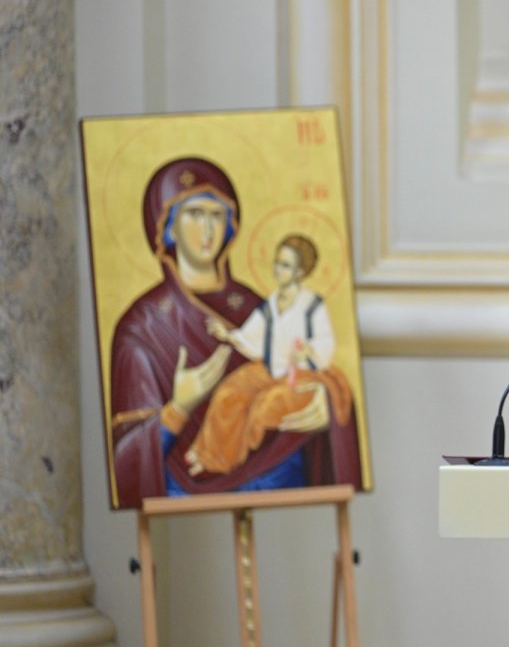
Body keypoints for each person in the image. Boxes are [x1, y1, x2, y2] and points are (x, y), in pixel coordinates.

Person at [107, 157, 362, 509]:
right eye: (194, 215)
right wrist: (179, 408)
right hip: (186, 487)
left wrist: (328, 406)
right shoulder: (142, 326)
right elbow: (127, 456)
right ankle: (211, 453)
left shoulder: (257, 304)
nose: (207, 229)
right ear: (166, 226)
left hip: (279, 474)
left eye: (216, 215)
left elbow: (302, 363)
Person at [184, 233, 353, 476]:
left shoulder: (312, 305)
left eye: (285, 265)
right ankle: (208, 454)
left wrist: (309, 351)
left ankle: (232, 461)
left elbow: (326, 341)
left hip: (303, 375)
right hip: (271, 369)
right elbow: (252, 334)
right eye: (277, 262)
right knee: (228, 393)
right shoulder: (272, 302)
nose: (277, 269)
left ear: (299, 272)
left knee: (264, 407)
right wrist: (228, 334)